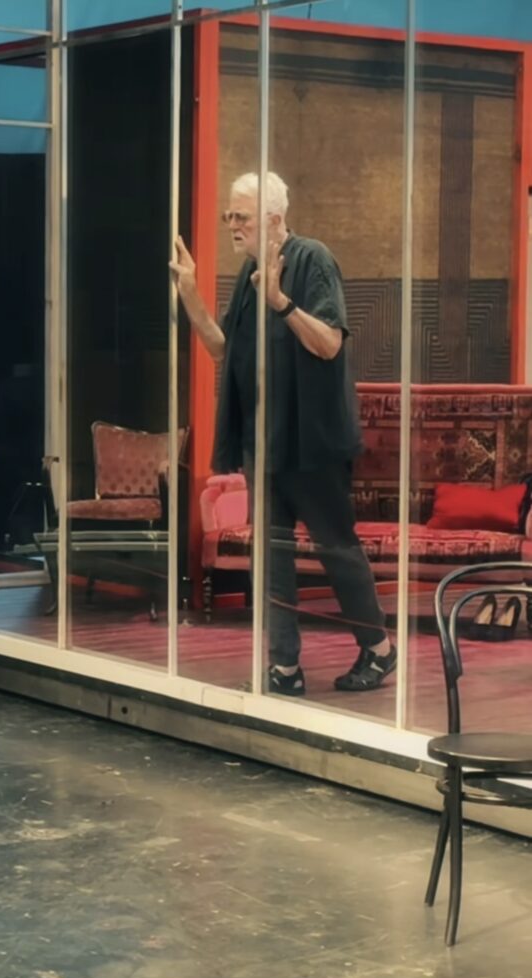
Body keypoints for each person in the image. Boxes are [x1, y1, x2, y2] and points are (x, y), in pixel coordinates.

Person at [170, 171, 396, 695]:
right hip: (265, 443)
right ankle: (284, 666)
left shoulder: (313, 259)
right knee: (271, 558)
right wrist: (190, 295)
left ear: (274, 220)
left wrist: (282, 303)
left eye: (242, 217)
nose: (232, 225)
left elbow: (329, 343)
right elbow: (225, 352)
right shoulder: (249, 276)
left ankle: (379, 649)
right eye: (229, 215)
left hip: (312, 442)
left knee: (336, 547)